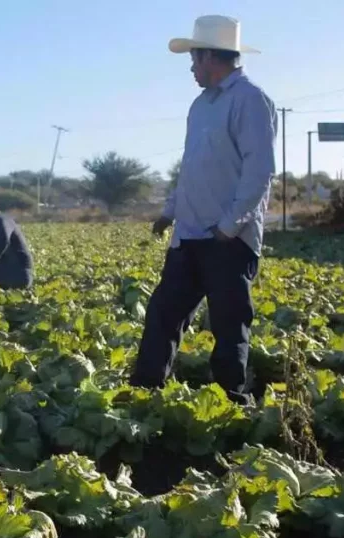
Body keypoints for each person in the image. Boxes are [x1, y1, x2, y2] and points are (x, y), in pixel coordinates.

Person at [131, 15, 277, 403]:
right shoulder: (199, 107)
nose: (191, 69)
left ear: (211, 56)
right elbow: (190, 168)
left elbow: (259, 171)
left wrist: (229, 227)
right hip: (189, 235)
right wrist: (169, 211)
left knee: (230, 327)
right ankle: (144, 395)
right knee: (162, 315)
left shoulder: (251, 100)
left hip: (227, 239)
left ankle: (232, 407)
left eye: (194, 60)